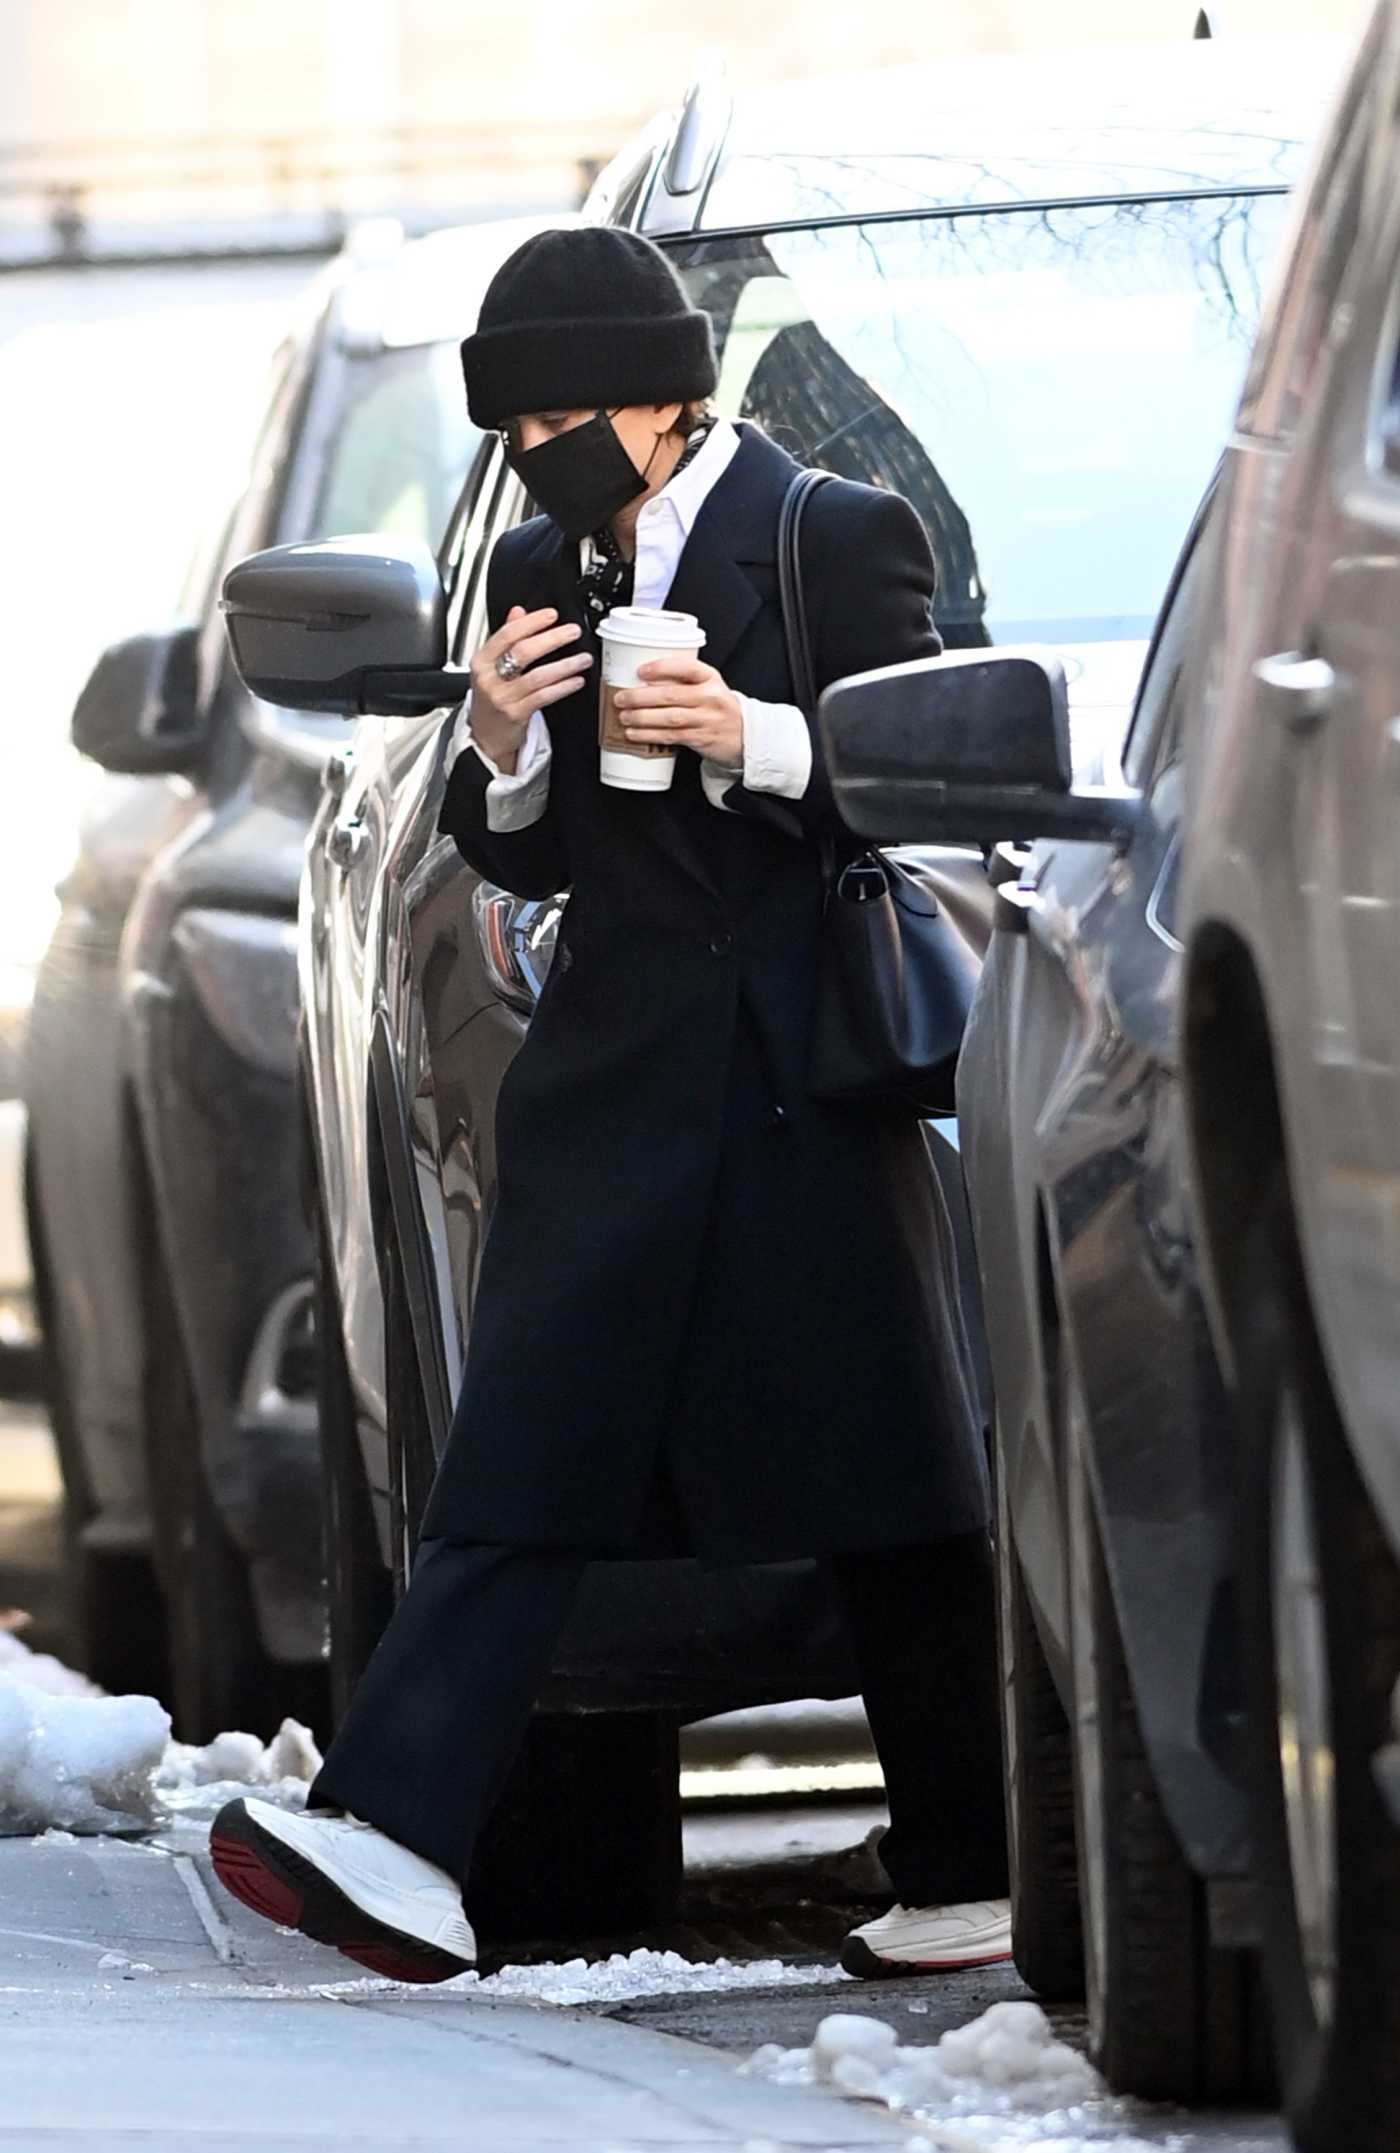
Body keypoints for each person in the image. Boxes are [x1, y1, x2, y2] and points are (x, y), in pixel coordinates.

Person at [209, 227, 1010, 1985]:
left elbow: (911, 782)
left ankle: (973, 1864)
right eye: (516, 425)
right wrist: (497, 741)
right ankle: (397, 1835)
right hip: (616, 1081)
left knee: (896, 1479)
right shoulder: (535, 558)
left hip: (805, 1078)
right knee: (523, 1450)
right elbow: (534, 846)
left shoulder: (829, 534)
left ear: (668, 395)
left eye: (567, 414)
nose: (537, 451)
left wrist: (748, 731)